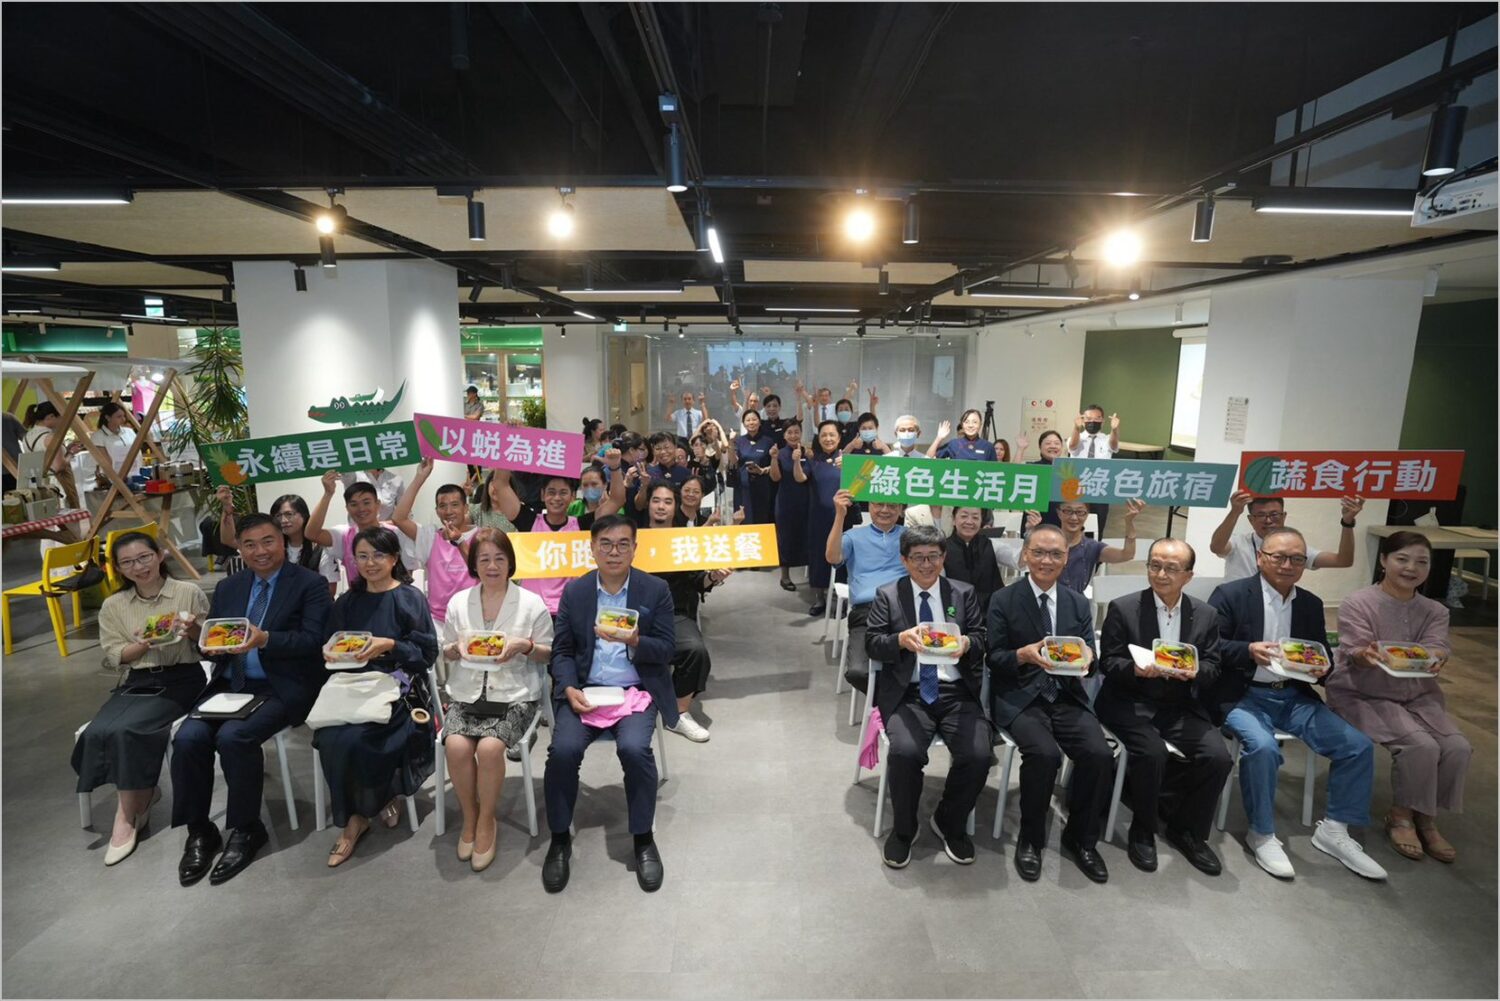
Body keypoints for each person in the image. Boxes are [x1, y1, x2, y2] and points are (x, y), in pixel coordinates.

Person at [1205, 527, 1385, 881]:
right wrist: (1248, 650)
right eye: (1279, 557)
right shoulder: (1230, 595)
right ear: (1261, 558)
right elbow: (1209, 645)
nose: (1287, 565)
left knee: (1357, 746)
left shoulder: (1310, 604)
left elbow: (1320, 655)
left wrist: (1321, 669)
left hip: (1293, 695)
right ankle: (1262, 833)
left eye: (1297, 559)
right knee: (1263, 747)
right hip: (1242, 694)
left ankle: (1334, 829)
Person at [172, 513, 333, 886]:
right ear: (240, 549)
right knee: (188, 738)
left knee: (234, 737)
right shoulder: (230, 587)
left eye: (267, 541)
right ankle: (200, 830)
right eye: (249, 544)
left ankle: (247, 828)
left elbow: (314, 641)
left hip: (280, 686)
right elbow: (215, 643)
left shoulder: (309, 583)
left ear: (282, 541)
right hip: (230, 685)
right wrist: (199, 636)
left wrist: (266, 640)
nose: (260, 551)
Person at [542, 514, 678, 894]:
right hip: (586, 691)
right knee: (562, 752)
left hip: (634, 692)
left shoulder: (655, 590)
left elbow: (667, 649)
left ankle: (643, 839)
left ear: (635, 548)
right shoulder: (576, 592)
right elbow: (562, 651)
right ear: (592, 548)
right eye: (605, 544)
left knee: (635, 750)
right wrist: (568, 687)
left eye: (622, 544)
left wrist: (636, 641)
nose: (614, 552)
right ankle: (559, 839)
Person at [1326, 531, 1471, 863]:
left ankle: (1426, 816)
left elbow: (1437, 645)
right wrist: (1366, 655)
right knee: (1421, 745)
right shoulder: (1358, 602)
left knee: (1458, 747)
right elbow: (1354, 650)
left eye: (1422, 562)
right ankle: (1402, 815)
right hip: (1363, 692)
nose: (1411, 568)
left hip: (1417, 693)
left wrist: (1437, 657)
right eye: (1402, 559)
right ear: (1383, 560)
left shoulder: (1435, 610)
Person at [1096, 538, 1232, 875]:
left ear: (1188, 575)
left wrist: (1194, 672)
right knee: (1152, 752)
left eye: (1171, 568)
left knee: (1218, 757)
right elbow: (1108, 662)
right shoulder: (1124, 608)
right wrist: (1135, 669)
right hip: (1129, 700)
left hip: (1179, 704)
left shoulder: (1205, 614)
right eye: (1154, 565)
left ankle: (1187, 830)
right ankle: (1143, 830)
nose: (1161, 574)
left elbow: (1214, 668)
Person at [987, 524, 1113, 883]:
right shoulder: (1003, 599)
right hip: (1021, 696)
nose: (1046, 560)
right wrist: (1023, 655)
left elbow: (1091, 657)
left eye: (1055, 554)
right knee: (1044, 755)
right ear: (1026, 555)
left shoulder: (1077, 602)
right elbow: (993, 657)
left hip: (1066, 694)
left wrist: (1088, 660)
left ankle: (1081, 839)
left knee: (1099, 754)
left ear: (1066, 558)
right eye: (1039, 552)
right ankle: (1031, 839)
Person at [73, 532, 208, 866]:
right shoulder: (114, 605)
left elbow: (208, 642)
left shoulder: (187, 592)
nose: (138, 567)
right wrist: (144, 643)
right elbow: (116, 656)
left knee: (127, 729)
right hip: (138, 680)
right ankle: (141, 795)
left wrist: (191, 628)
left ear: (160, 555)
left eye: (144, 557)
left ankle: (126, 814)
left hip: (182, 679)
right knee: (98, 731)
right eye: (128, 562)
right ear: (118, 568)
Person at [865, 524, 991, 868]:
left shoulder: (962, 593)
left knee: (978, 755)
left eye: (933, 557)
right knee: (905, 754)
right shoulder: (888, 595)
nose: (926, 565)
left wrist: (968, 643)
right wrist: (899, 641)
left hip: (957, 692)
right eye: (918, 557)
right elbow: (872, 643)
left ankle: (949, 821)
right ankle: (904, 830)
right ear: (904, 560)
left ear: (943, 557)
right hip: (909, 694)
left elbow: (982, 637)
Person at [316, 527, 439, 868]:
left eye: (378, 555)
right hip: (352, 686)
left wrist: (391, 645)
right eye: (363, 556)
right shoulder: (348, 602)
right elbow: (332, 645)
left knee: (361, 736)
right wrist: (333, 653)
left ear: (394, 558)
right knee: (330, 736)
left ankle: (363, 812)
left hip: (399, 686)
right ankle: (364, 809)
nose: (370, 563)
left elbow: (427, 654)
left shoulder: (409, 598)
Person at [439, 528, 554, 871]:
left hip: (514, 696)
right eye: (484, 559)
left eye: (499, 558)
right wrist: (456, 649)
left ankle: (487, 820)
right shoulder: (459, 602)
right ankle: (470, 816)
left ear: (510, 562)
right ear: (474, 564)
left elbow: (549, 652)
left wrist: (524, 646)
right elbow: (446, 649)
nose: (492, 566)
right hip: (467, 693)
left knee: (490, 748)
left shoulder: (531, 603)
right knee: (455, 746)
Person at [644, 481, 730, 742]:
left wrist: (713, 577)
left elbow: (698, 581)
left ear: (675, 506)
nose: (661, 506)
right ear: (648, 504)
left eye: (667, 501)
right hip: (632, 615)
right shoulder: (633, 536)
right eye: (656, 500)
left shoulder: (685, 540)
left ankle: (677, 713)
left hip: (674, 614)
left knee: (696, 651)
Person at [489, 464, 625, 614]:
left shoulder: (582, 525)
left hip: (570, 610)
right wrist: (506, 454)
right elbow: (500, 485)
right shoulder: (528, 521)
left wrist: (615, 467)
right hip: (533, 610)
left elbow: (617, 500)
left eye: (563, 493)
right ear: (542, 495)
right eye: (551, 492)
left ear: (573, 496)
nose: (556, 498)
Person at [827, 489, 907, 693]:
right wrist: (840, 515)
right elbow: (833, 557)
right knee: (857, 672)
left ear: (901, 510)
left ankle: (889, 702)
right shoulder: (854, 536)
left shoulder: (910, 537)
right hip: (866, 612)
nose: (885, 510)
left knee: (912, 668)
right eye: (878, 504)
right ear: (869, 506)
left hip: (903, 610)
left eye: (892, 505)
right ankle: (883, 701)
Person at [391, 458, 479, 631]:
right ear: (437, 511)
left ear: (466, 508)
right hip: (438, 622)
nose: (449, 511)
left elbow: (480, 571)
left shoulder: (481, 536)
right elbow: (398, 518)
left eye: (455, 505)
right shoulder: (430, 537)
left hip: (474, 619)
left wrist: (460, 540)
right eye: (442, 506)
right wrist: (420, 477)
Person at [1210, 491, 1364, 580]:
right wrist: (1235, 511)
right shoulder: (1239, 543)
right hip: (1238, 607)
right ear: (1251, 520)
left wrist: (1347, 523)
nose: (1268, 520)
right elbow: (1216, 547)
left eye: (1274, 514)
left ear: (1284, 516)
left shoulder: (1295, 549)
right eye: (1261, 515)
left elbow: (1343, 560)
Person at [217, 488, 340, 598]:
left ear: (304, 515)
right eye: (278, 516)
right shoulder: (270, 545)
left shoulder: (321, 549)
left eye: (289, 514)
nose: (283, 520)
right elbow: (228, 540)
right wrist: (227, 509)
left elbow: (329, 591)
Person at [1027, 497, 1144, 593]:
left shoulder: (1091, 547)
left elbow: (1127, 554)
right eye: (1068, 511)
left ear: (1087, 514)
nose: (1074, 517)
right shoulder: (1045, 544)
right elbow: (1023, 562)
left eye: (1080, 512)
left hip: (1075, 607)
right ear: (1059, 513)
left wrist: (1129, 522)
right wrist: (1030, 532)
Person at [803, 420, 854, 616]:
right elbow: (801, 478)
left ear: (839, 438)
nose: (828, 438)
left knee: (842, 557)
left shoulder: (848, 460)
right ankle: (819, 598)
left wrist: (847, 469)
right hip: (817, 517)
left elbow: (861, 485)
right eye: (824, 435)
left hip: (842, 518)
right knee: (818, 556)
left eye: (832, 434)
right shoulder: (813, 460)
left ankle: (840, 600)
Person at [307, 470, 394, 584]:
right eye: (354, 504)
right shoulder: (344, 535)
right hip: (357, 594)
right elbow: (311, 534)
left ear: (377, 504)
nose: (361, 509)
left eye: (366, 502)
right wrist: (328, 494)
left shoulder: (394, 533)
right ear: (347, 508)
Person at [770, 420, 811, 591]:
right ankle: (785, 576)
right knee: (785, 539)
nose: (793, 435)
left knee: (807, 537)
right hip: (785, 502)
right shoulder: (779, 453)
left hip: (806, 501)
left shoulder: (808, 453)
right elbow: (775, 478)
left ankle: (812, 574)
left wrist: (799, 459)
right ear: (784, 435)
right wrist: (773, 458)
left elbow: (803, 477)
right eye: (790, 432)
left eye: (796, 432)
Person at [21, 400, 82, 506]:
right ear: (51, 416)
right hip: (57, 484)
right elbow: (59, 466)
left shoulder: (27, 436)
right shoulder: (50, 437)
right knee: (67, 512)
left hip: (40, 483)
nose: (62, 421)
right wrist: (71, 453)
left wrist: (66, 449)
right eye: (60, 417)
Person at [943, 507, 1002, 614]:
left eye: (975, 517)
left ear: (981, 521)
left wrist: (1029, 531)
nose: (969, 522)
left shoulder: (990, 544)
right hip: (953, 612)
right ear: (953, 520)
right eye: (964, 516)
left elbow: (1019, 560)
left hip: (988, 613)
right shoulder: (943, 549)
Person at [726, 409, 775, 525]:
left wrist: (762, 470)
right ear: (743, 424)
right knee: (743, 520)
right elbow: (733, 461)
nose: (751, 422)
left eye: (754, 419)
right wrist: (731, 443)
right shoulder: (739, 441)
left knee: (761, 521)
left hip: (762, 488)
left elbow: (774, 465)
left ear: (759, 422)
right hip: (742, 488)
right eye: (748, 420)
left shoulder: (768, 441)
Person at [90, 401, 141, 483]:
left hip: (136, 474)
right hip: (114, 478)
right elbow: (105, 461)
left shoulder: (129, 432)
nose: (123, 419)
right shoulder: (98, 436)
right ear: (108, 417)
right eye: (119, 416)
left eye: (124, 416)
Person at [927, 409, 998, 462]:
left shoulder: (988, 447)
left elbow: (995, 470)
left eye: (975, 422)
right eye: (966, 422)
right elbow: (928, 458)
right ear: (962, 425)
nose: (970, 425)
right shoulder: (954, 444)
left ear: (980, 424)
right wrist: (938, 438)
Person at [340, 467, 405, 521]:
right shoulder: (353, 476)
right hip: (358, 529)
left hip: (385, 530)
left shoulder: (396, 480)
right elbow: (346, 468)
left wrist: (384, 525)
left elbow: (403, 514)